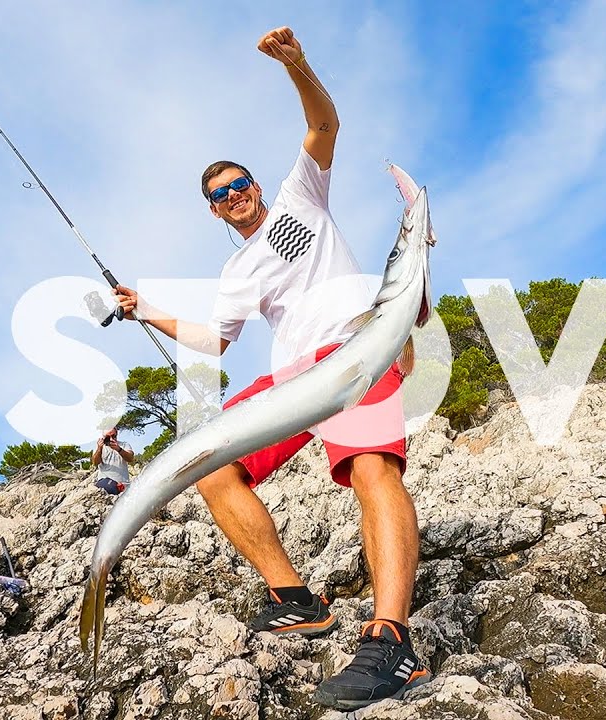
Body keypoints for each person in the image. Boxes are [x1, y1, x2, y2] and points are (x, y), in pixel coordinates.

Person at [113, 26, 427, 710]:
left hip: (351, 356)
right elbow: (212, 340)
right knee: (207, 463)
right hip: (289, 381)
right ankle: (295, 597)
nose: (235, 196)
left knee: (373, 469)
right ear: (213, 211)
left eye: (240, 183)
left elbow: (324, 122)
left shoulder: (298, 200)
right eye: (221, 195)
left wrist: (296, 64)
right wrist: (146, 312)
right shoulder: (234, 272)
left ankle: (392, 642)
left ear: (257, 183)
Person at [91, 427, 134, 495]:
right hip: (106, 483)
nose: (111, 439)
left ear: (117, 434)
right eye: (108, 437)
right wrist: (99, 449)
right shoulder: (99, 447)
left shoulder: (124, 445)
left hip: (124, 485)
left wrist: (119, 449)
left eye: (114, 436)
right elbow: (95, 462)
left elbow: (130, 458)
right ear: (103, 437)